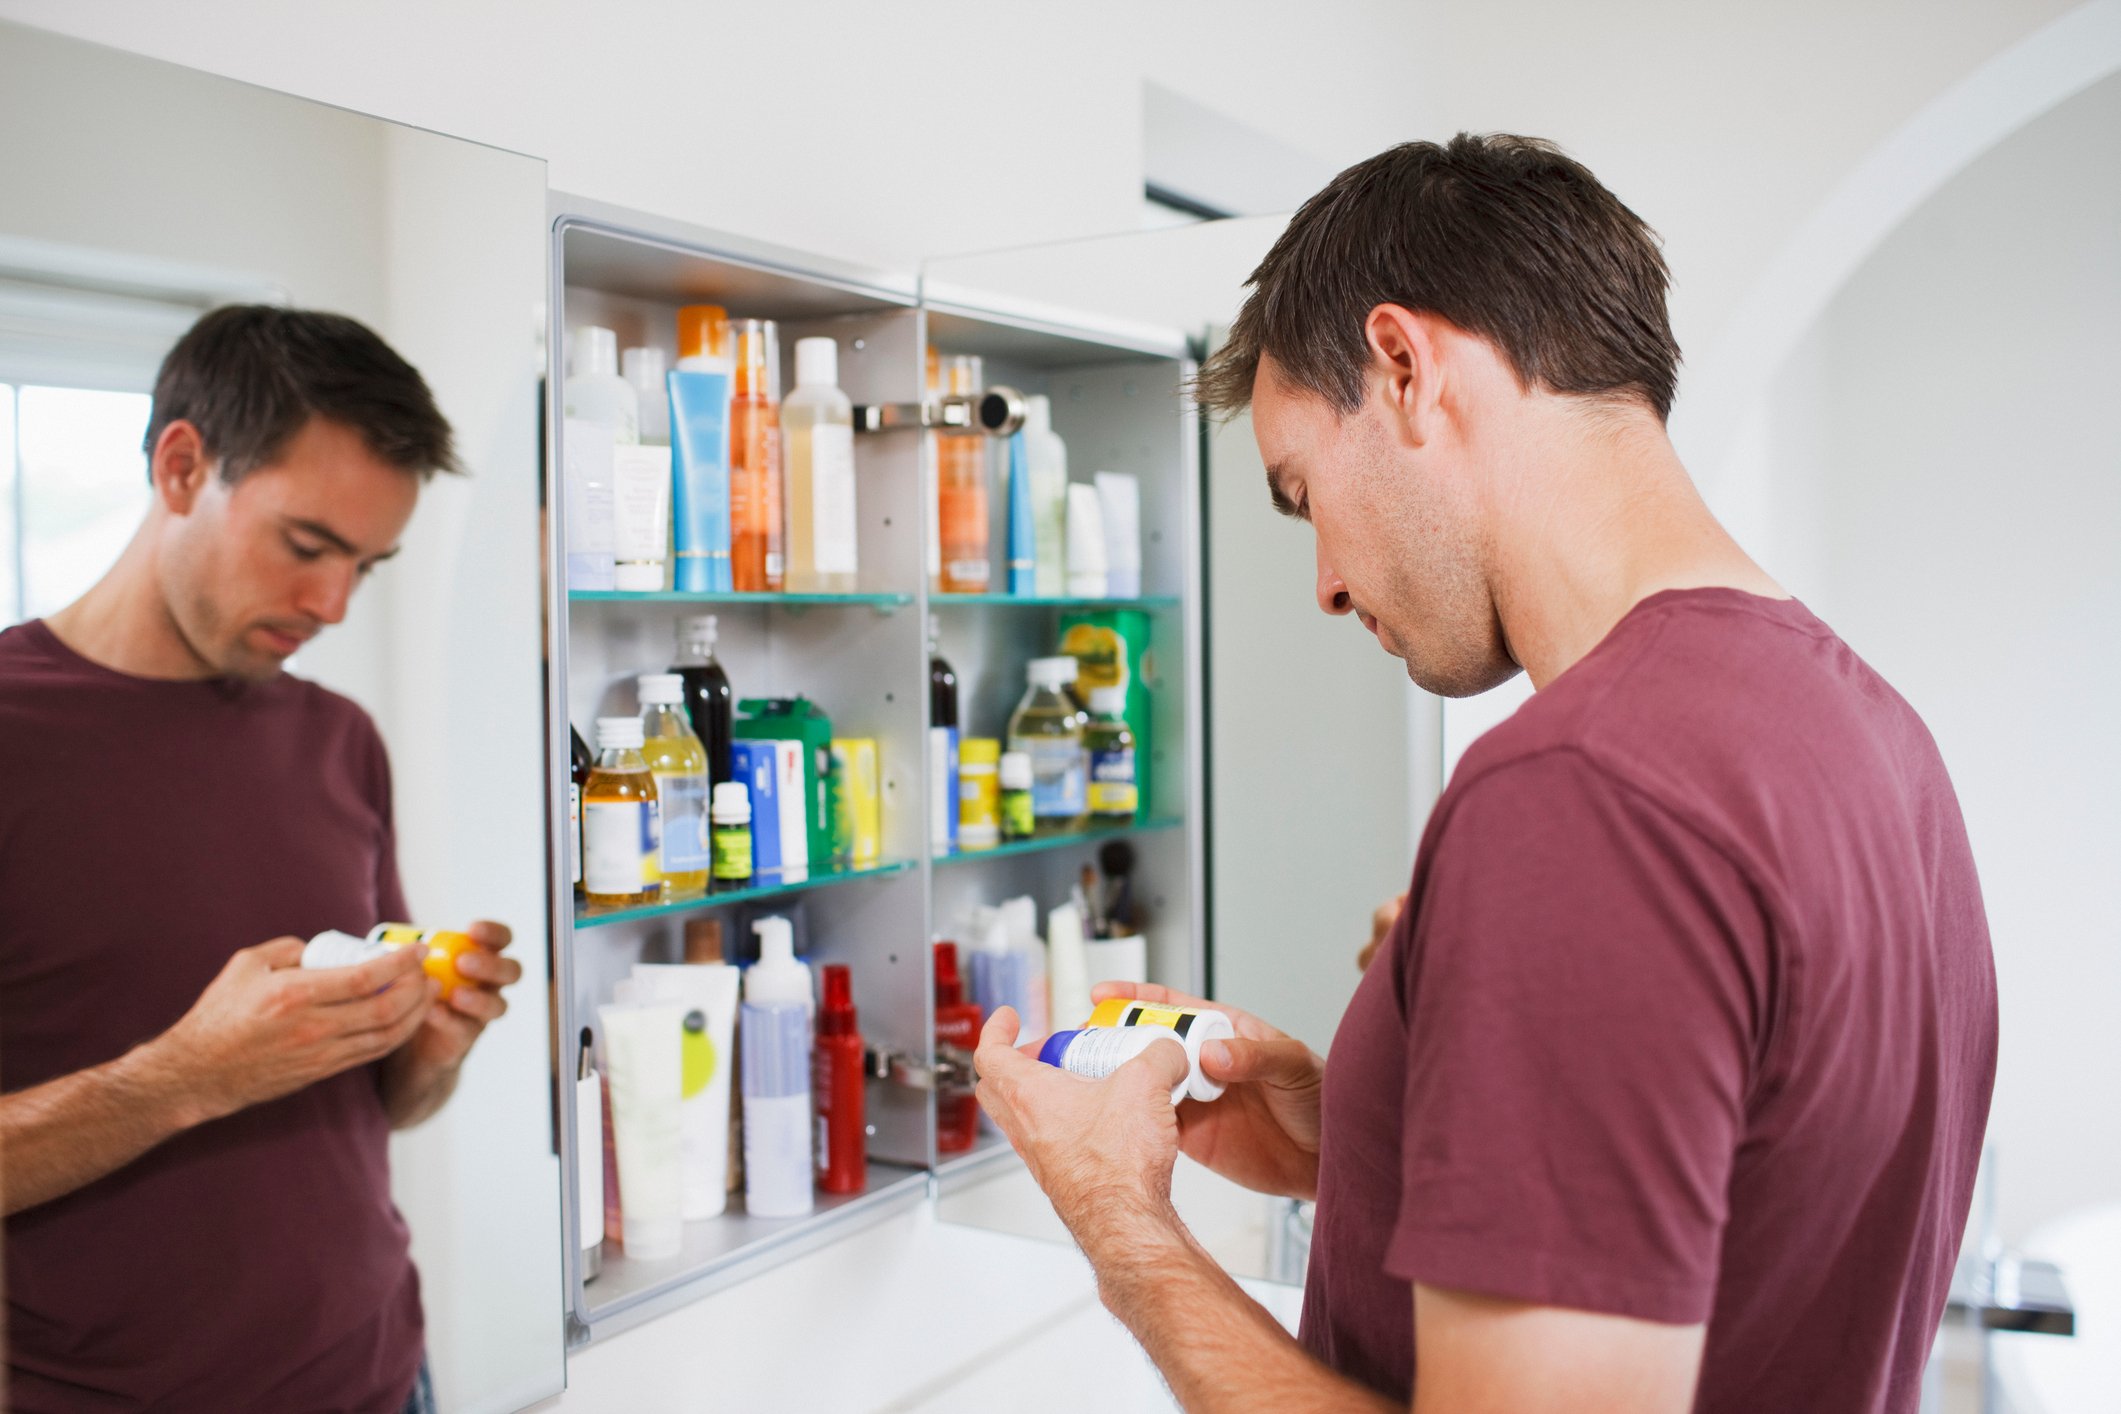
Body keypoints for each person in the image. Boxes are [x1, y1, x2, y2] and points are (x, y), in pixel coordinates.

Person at [973, 134, 1995, 1413]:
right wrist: (1360, 1144)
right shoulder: (1871, 735)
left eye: (1304, 494)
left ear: (1406, 366)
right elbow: (1740, 1213)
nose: (1329, 582)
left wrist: (1125, 1228)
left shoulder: (1579, 794)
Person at [0, 305, 524, 1414]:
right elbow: (206, 1075)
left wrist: (426, 1047)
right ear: (182, 467)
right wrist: (186, 1078)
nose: (331, 605)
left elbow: (379, 1113)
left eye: (367, 568)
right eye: (306, 546)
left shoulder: (342, 741)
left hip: (385, 1378)